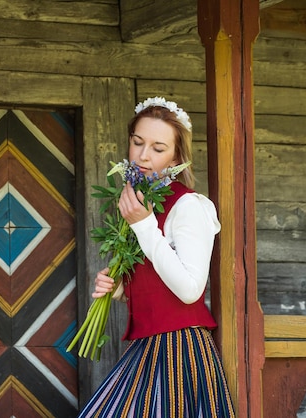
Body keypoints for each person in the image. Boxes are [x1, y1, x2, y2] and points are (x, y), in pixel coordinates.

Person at [78, 97, 235, 417]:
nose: (143, 155)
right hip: (147, 347)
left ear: (177, 155)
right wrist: (121, 291)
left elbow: (191, 289)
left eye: (158, 148)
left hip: (180, 353)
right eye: (137, 143)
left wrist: (145, 226)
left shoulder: (188, 206)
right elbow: (159, 279)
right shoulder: (140, 203)